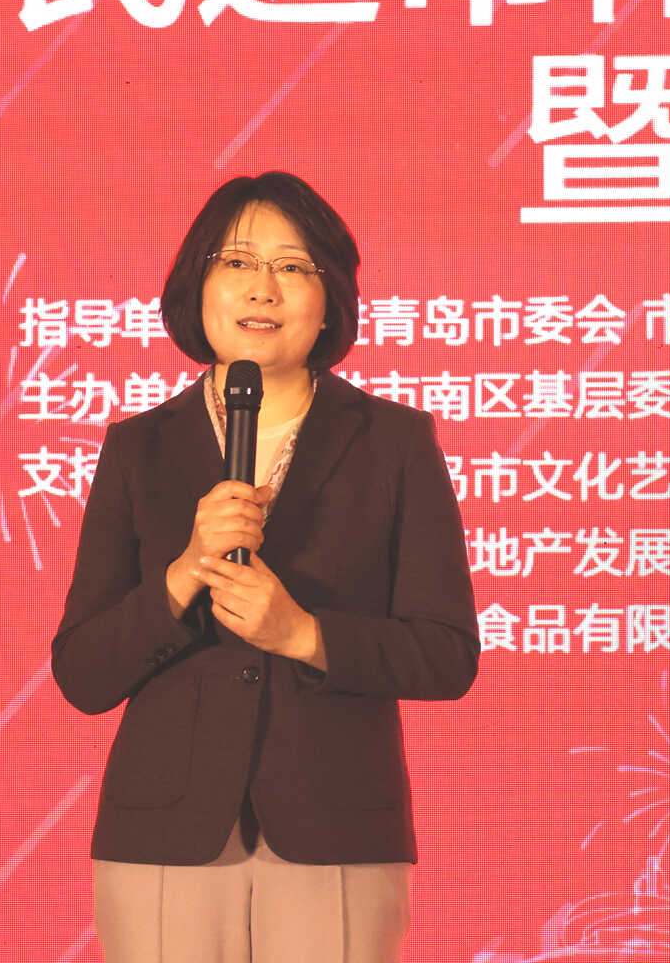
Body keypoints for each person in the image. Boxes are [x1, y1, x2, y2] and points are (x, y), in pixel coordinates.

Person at [50, 172, 479, 963]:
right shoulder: (138, 448)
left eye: (293, 266)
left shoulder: (394, 443)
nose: (263, 288)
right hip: (166, 834)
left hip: (336, 826)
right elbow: (82, 672)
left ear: (330, 301)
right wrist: (183, 574)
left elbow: (447, 653)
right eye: (239, 261)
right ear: (199, 285)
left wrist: (305, 635)